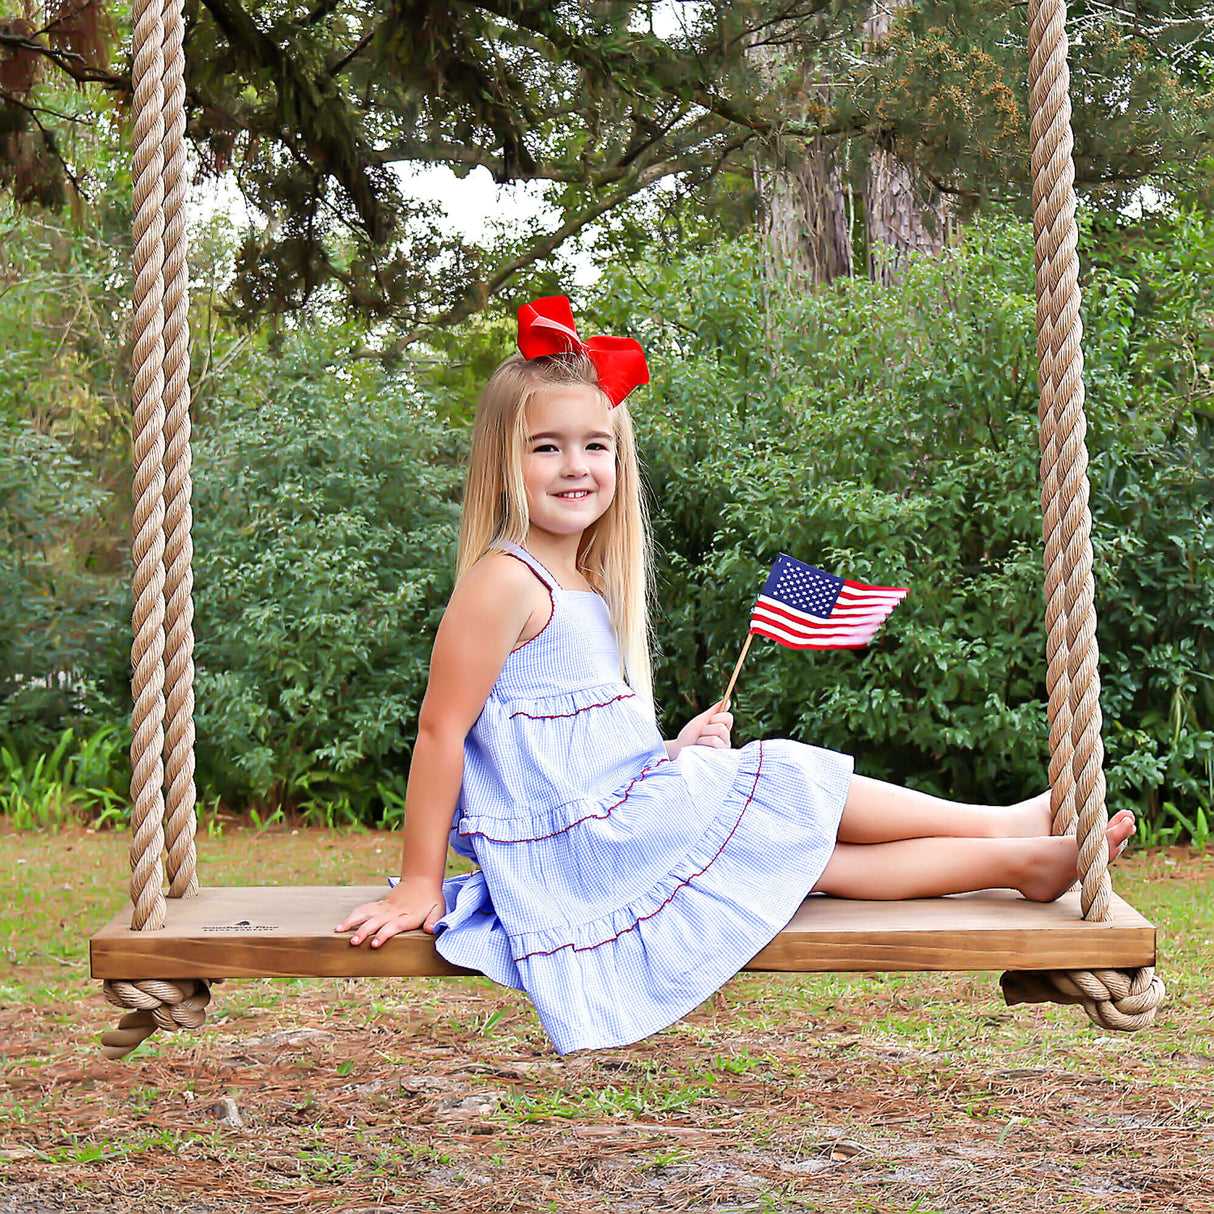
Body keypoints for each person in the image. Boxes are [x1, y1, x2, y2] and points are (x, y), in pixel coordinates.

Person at [336, 296, 1135, 1054]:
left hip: (615, 820)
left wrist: (676, 755)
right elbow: (443, 731)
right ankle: (1002, 826)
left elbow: (583, 745)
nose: (575, 466)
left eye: (595, 445)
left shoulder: (582, 581)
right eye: (547, 446)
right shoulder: (504, 581)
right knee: (781, 774)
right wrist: (419, 882)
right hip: (578, 851)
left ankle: (1021, 860)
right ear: (503, 462)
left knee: (807, 859)